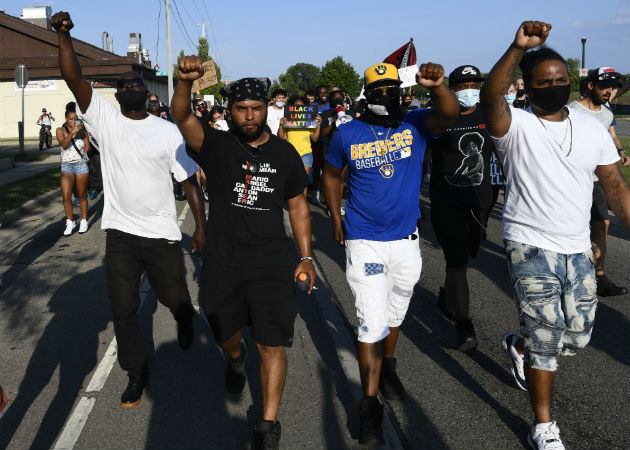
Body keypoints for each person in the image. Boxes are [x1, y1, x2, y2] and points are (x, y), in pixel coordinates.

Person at [480, 21, 630, 450]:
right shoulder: (516, 127)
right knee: (546, 334)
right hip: (530, 244)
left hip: (578, 247)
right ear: (526, 85)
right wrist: (516, 47)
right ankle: (544, 425)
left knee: (579, 335)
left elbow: (616, 189)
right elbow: (492, 96)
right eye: (545, 81)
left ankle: (524, 353)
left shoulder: (591, 128)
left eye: (562, 80)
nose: (555, 86)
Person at [52, 11, 206, 408]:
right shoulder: (105, 120)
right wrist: (64, 35)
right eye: (122, 85)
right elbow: (74, 78)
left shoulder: (166, 130)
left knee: (173, 296)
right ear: (117, 95)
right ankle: (137, 372)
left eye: (134, 83)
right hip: (120, 234)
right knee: (123, 308)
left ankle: (185, 315)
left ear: (145, 92)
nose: (128, 87)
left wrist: (201, 227)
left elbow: (189, 182)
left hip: (161, 235)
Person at [171, 56, 317, 450]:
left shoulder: (285, 154)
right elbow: (181, 114)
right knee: (222, 330)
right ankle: (236, 355)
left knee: (272, 343)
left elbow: (299, 205)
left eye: (257, 108)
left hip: (271, 261)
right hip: (222, 260)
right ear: (229, 110)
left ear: (267, 108)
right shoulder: (214, 145)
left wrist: (305, 256)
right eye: (241, 108)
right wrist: (183, 82)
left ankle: (268, 425)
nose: (250, 116)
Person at [322, 61, 459, 446]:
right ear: (368, 95)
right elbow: (331, 176)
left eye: (392, 88)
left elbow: (448, 112)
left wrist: (438, 85)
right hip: (364, 239)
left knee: (396, 311)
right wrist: (336, 217)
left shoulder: (414, 123)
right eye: (379, 89)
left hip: (406, 241)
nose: (388, 95)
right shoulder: (346, 133)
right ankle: (369, 404)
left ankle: (389, 366)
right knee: (370, 319)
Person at [428, 65, 496, 352]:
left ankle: (446, 295)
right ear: (452, 90)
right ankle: (464, 322)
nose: (470, 89)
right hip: (447, 201)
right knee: (456, 261)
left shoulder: (491, 116)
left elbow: (503, 154)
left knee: (463, 258)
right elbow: (423, 157)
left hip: (481, 201)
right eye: (463, 85)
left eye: (474, 84)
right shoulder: (440, 119)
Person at [568, 67, 630, 297]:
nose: (609, 91)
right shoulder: (571, 111)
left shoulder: (605, 112)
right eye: (605, 86)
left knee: (602, 224)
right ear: (591, 85)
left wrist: (620, 151)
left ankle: (599, 276)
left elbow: (611, 136)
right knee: (578, 227)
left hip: (598, 179)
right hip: (575, 179)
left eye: (612, 86)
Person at [56, 101, 91, 236]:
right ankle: (70, 221)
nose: (73, 121)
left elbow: (87, 146)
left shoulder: (83, 132)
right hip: (67, 166)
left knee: (82, 195)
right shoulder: (60, 130)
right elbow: (64, 144)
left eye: (76, 119)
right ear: (66, 119)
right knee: (66, 196)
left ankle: (83, 220)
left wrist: (86, 148)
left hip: (81, 164)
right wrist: (72, 133)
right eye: (71, 119)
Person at [277, 95, 322, 189]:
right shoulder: (287, 120)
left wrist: (319, 125)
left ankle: (302, 203)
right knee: (291, 182)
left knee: (303, 183)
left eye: (301, 106)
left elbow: (314, 139)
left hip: (306, 154)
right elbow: (282, 138)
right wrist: (281, 125)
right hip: (290, 154)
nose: (298, 108)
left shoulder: (310, 121)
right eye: (296, 106)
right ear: (291, 107)